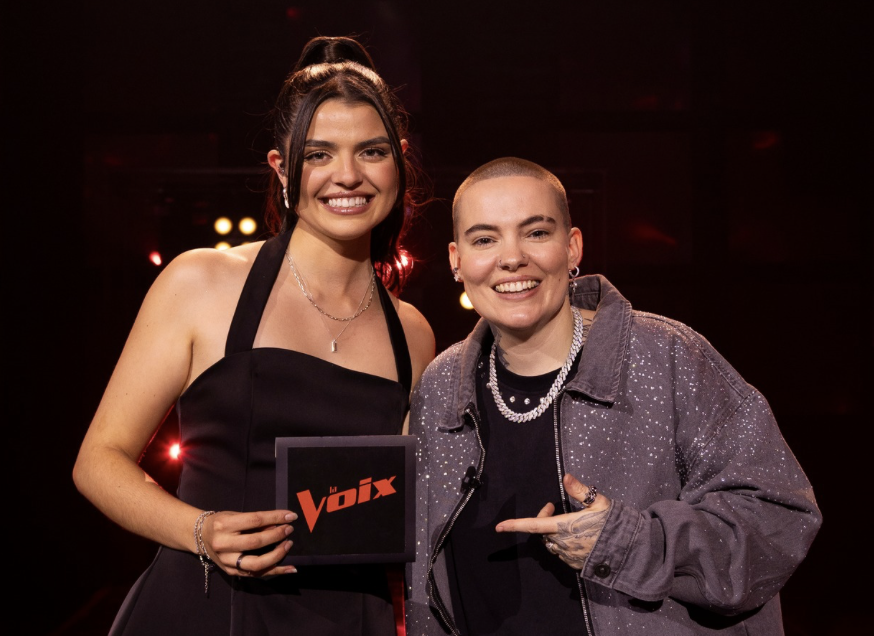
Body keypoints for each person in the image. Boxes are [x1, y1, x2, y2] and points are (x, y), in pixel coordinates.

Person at [73, 35, 435, 636]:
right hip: (208, 608)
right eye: (319, 154)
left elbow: (405, 506)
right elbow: (97, 462)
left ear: (398, 159)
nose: (347, 175)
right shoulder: (202, 282)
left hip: (351, 618)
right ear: (282, 169)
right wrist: (199, 529)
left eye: (370, 152)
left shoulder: (413, 333)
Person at [405, 157, 821, 635]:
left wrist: (632, 543)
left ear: (572, 246)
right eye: (485, 239)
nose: (511, 257)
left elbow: (779, 516)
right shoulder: (440, 387)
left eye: (536, 233)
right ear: (457, 261)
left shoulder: (666, 355)